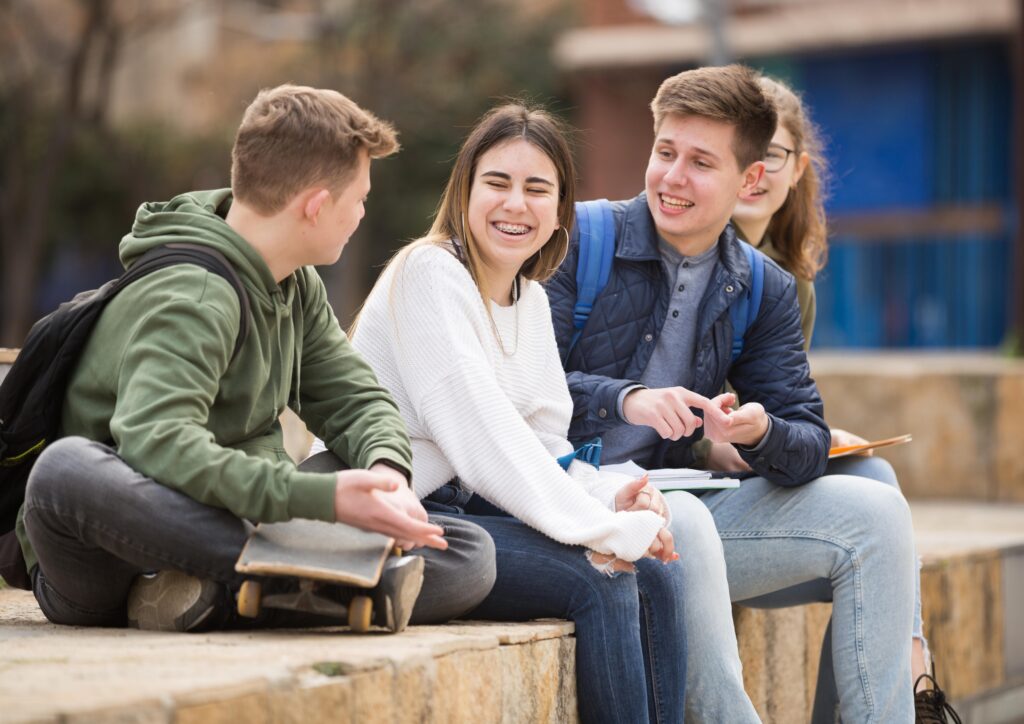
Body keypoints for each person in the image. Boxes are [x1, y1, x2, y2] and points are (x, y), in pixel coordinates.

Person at [16, 84, 496, 634]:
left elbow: (356, 399)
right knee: (63, 472)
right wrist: (321, 501)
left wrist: (387, 472)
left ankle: (223, 593)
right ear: (316, 206)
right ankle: (314, 580)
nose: (363, 212)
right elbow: (157, 445)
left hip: (239, 517)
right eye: (359, 197)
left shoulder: (295, 282)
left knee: (470, 554)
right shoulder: (192, 297)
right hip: (118, 548)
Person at [547, 65, 918, 722]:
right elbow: (521, 394)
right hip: (558, 505)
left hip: (676, 513)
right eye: (665, 153)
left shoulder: (763, 288)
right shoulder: (578, 239)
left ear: (749, 180)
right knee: (680, 517)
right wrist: (628, 398)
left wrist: (759, 432)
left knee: (879, 514)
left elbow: (806, 434)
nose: (671, 178)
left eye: (699, 162)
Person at [350, 103, 687, 723]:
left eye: (537, 189)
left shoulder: (528, 300)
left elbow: (541, 444)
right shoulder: (429, 272)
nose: (515, 205)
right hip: (412, 518)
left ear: (561, 211)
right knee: (603, 576)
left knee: (662, 577)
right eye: (497, 184)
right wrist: (602, 532)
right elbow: (484, 440)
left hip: (476, 507)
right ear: (466, 191)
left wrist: (612, 499)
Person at [730, 75, 952, 722]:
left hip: (746, 476)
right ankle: (917, 688)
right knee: (876, 496)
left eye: (770, 154)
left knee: (873, 481)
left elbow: (780, 410)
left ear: (797, 167)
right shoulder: (692, 259)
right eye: (740, 152)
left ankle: (904, 690)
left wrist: (795, 438)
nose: (755, 170)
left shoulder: (787, 284)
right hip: (695, 491)